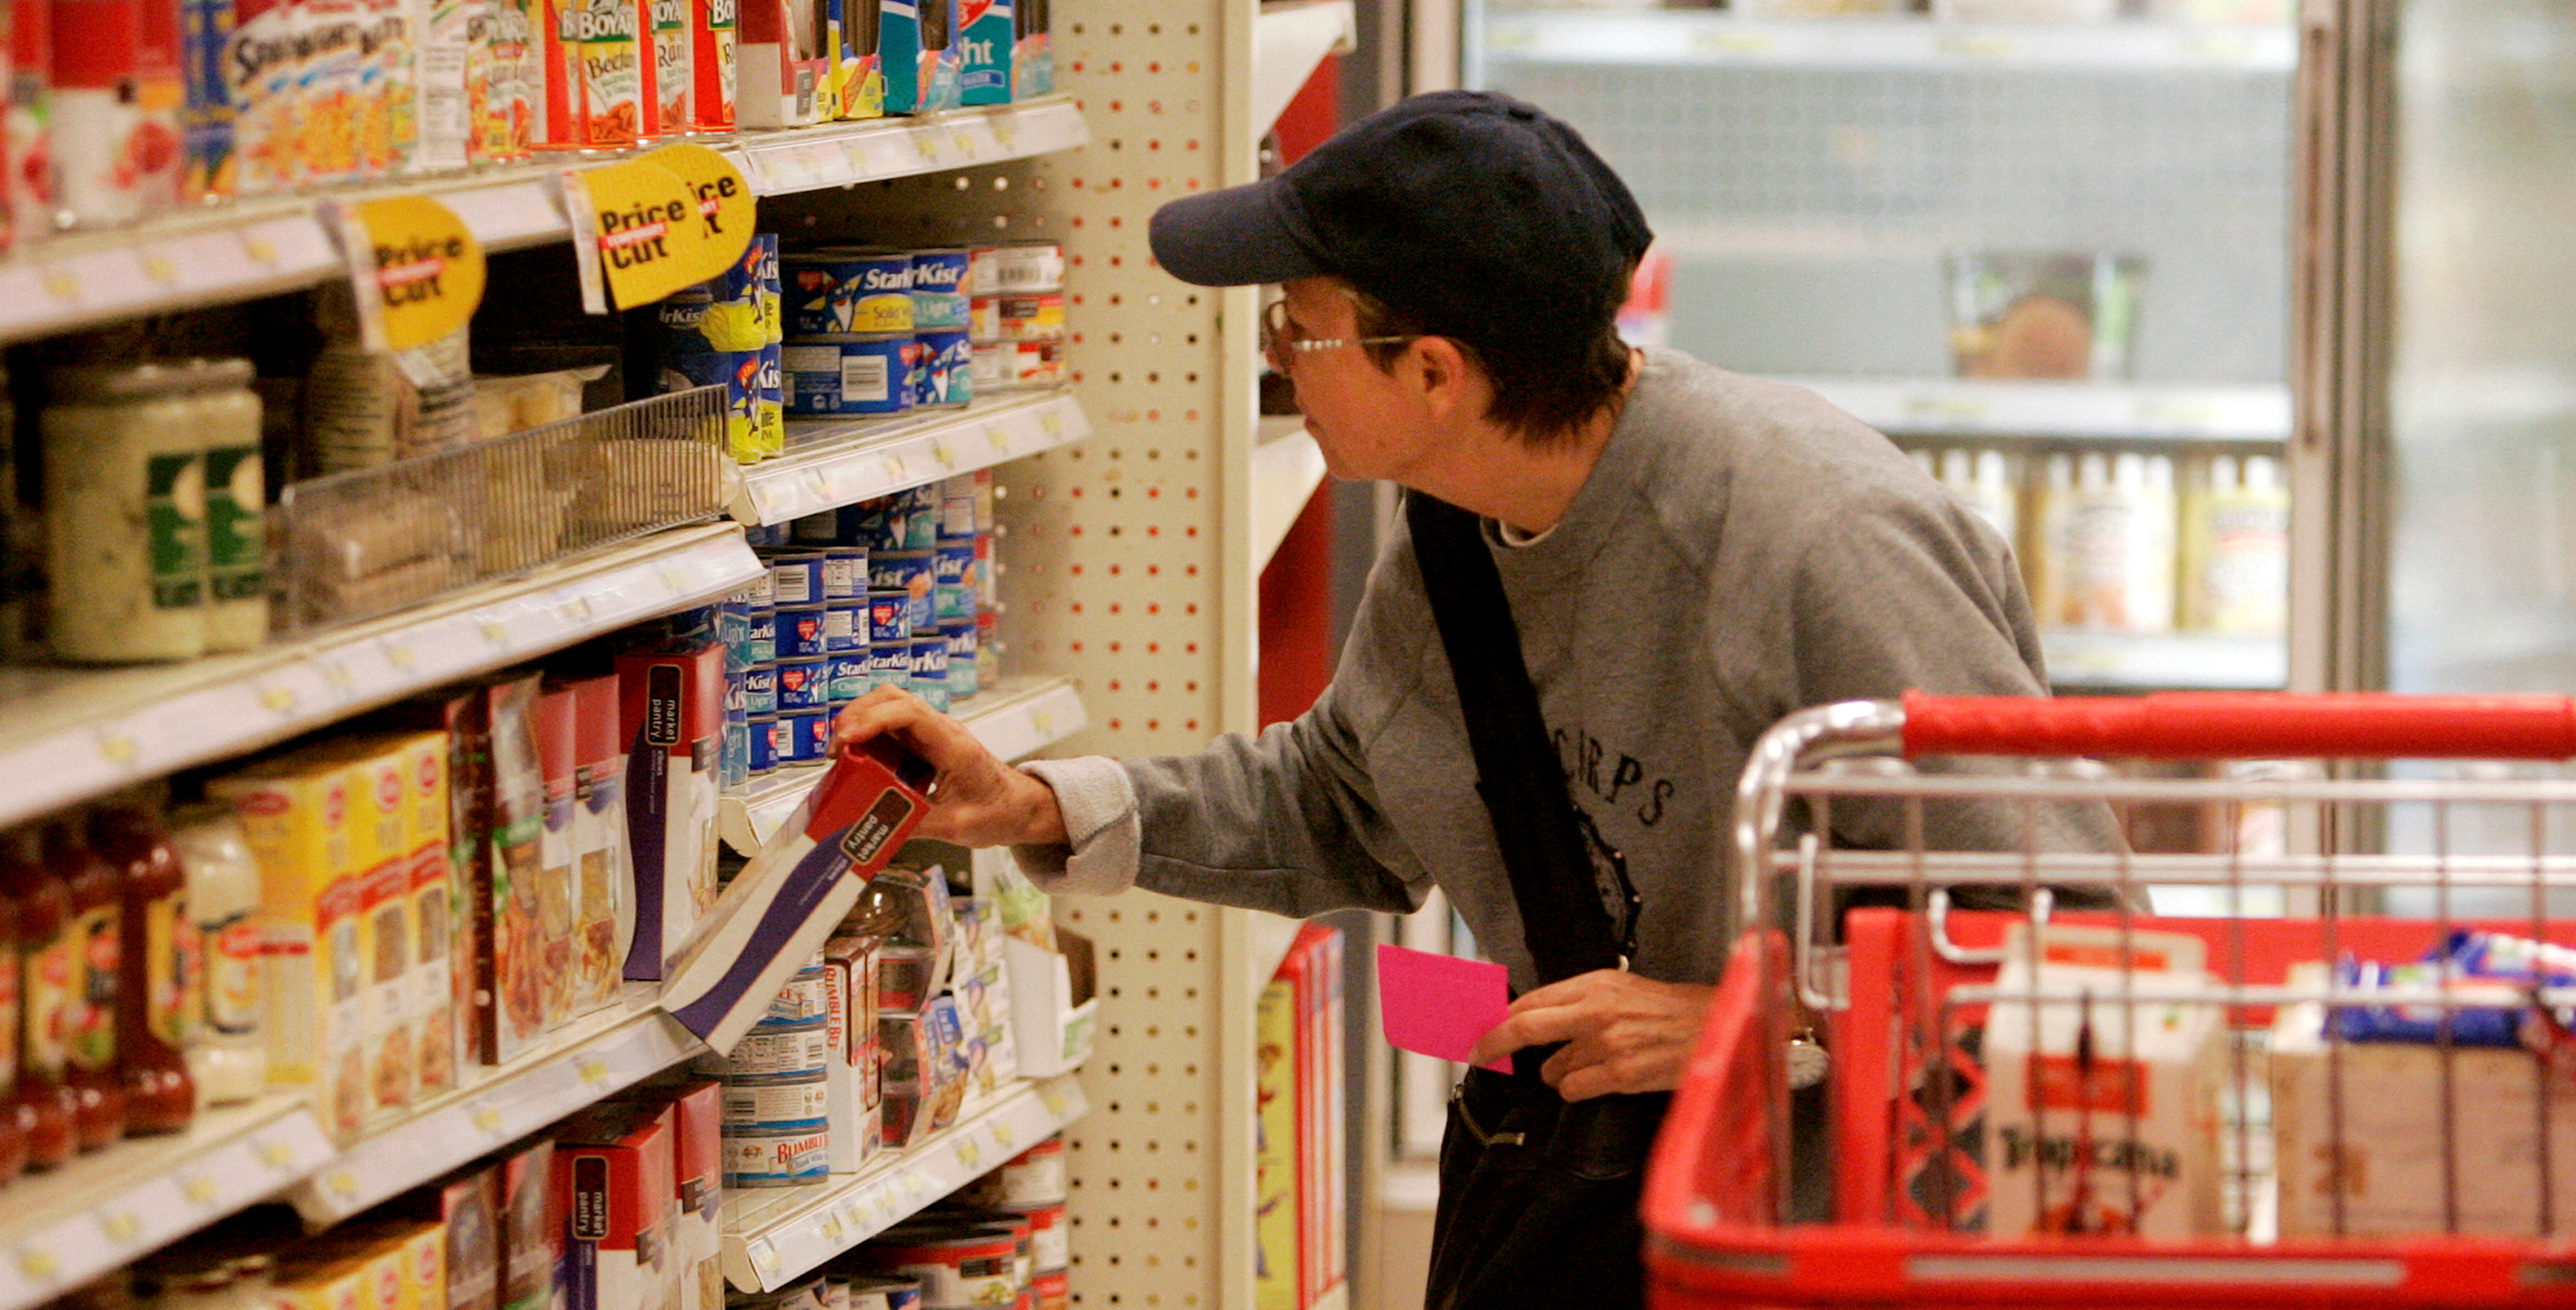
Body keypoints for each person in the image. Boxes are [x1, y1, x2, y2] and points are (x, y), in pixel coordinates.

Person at [834, 88, 2106, 1117]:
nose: (1274, 358)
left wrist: (1762, 1019)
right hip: (1685, 1249)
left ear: (1434, 372)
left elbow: (2075, 954)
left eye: (1297, 327)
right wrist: (1034, 803)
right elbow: (1343, 796)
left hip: (1898, 1259)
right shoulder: (1457, 526)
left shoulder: (1826, 542)